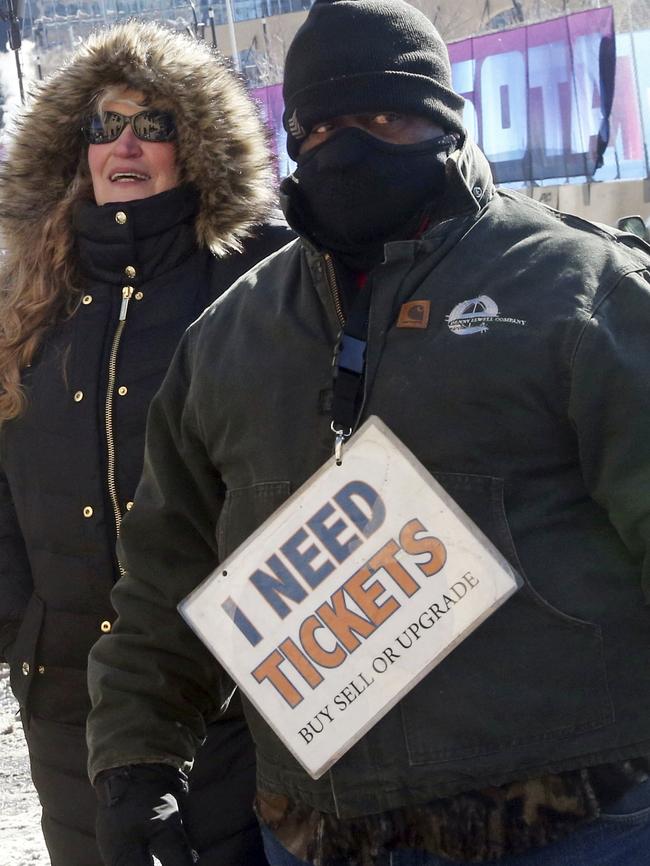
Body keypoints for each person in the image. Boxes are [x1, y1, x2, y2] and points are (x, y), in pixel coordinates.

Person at [86, 1, 650, 864]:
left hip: (567, 820)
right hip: (317, 832)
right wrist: (137, 755)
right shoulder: (234, 334)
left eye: (388, 117)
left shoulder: (579, 291)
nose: (353, 146)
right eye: (326, 127)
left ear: (445, 121)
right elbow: (168, 564)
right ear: (296, 140)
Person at [0, 19, 293, 866]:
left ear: (195, 148)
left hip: (228, 695)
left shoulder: (260, 279)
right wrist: (23, 626)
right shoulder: (32, 299)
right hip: (69, 700)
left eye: (152, 125)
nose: (124, 144)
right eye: (104, 125)